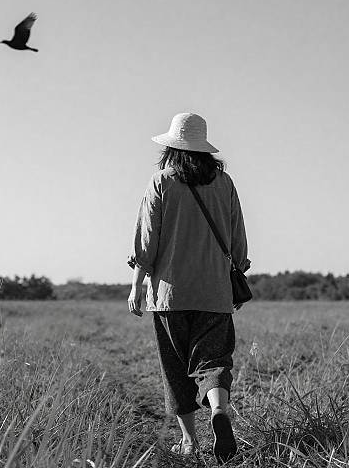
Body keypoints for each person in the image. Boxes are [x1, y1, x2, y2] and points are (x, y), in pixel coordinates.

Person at [127, 112, 250, 464]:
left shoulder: (161, 181)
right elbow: (238, 236)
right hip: (214, 292)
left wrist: (137, 285)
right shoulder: (224, 183)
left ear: (171, 148)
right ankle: (218, 410)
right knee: (212, 361)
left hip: (169, 294)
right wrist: (237, 273)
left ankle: (189, 441)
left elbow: (146, 242)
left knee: (177, 369)